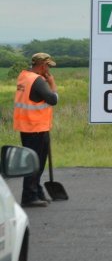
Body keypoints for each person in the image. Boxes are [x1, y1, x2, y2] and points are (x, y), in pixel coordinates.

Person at [13, 53, 59, 207]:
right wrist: (51, 82)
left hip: (27, 126)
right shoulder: (38, 80)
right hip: (36, 127)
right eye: (48, 66)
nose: (48, 69)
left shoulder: (24, 76)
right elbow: (53, 99)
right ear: (42, 65)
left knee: (33, 162)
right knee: (35, 162)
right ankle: (30, 196)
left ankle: (37, 191)